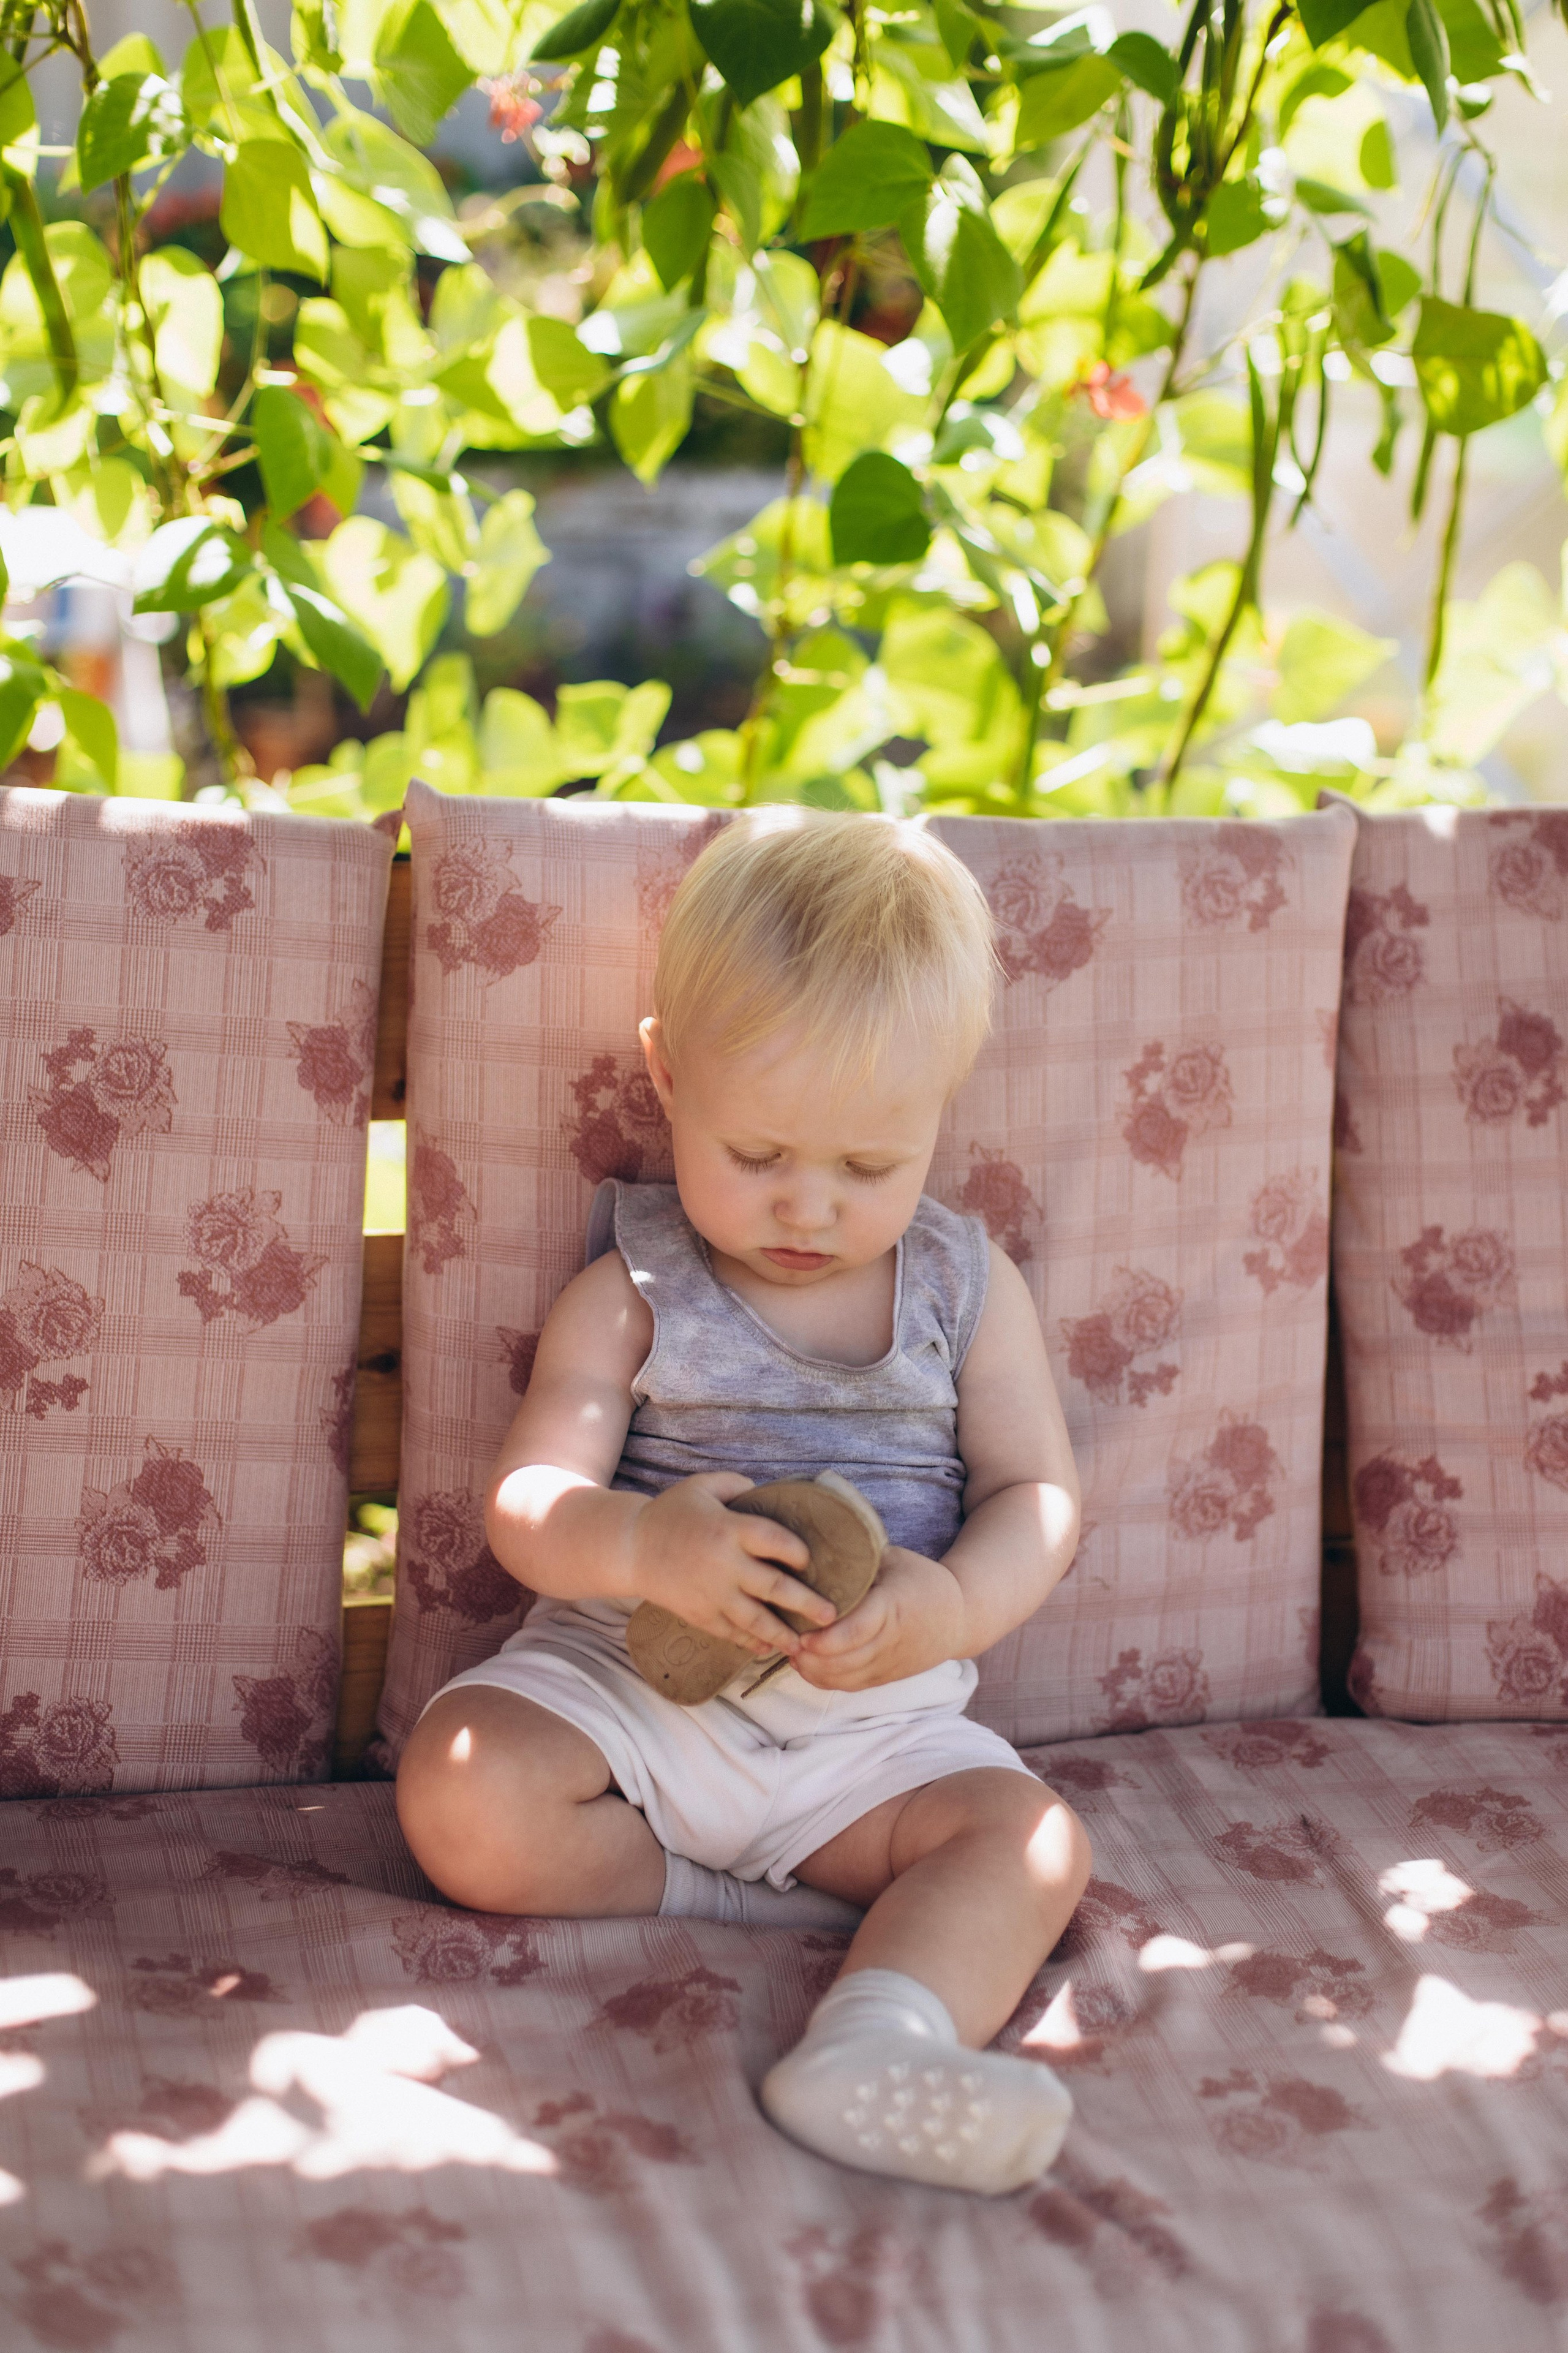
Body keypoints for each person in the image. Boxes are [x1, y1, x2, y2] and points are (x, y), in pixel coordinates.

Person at [397, 810, 1088, 2195]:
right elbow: (530, 1499)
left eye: (867, 1166)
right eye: (759, 1153)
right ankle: (734, 1900)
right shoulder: (634, 1286)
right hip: (631, 1691)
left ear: (938, 1112)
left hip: (865, 1731)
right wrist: (644, 1544)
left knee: (1031, 1845)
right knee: (460, 1792)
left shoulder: (962, 1288)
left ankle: (876, 2038)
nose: (810, 1207)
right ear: (667, 1074)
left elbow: (1037, 1496)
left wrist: (948, 1600)